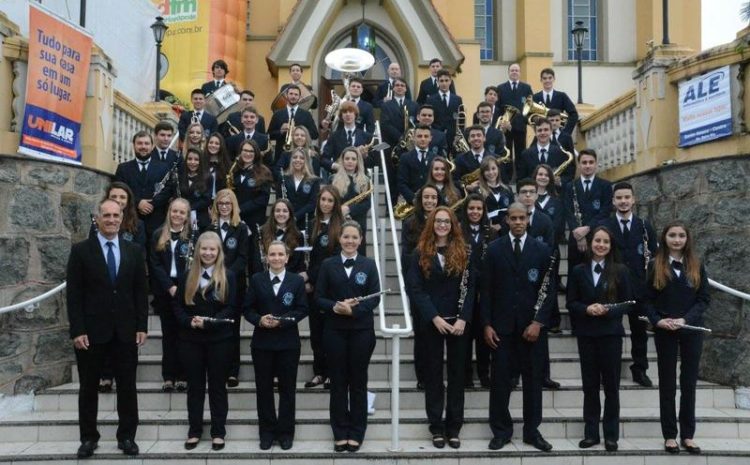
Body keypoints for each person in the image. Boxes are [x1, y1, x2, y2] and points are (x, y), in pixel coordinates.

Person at [66, 199, 148, 458]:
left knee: (127, 386)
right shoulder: (80, 251)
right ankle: (89, 438)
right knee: (89, 387)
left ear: (122, 218)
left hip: (125, 331)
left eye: (116, 215)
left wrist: (142, 326)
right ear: (97, 218)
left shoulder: (133, 251)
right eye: (107, 215)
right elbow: (74, 295)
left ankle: (126, 437)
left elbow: (140, 292)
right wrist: (77, 330)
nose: (112, 220)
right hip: (91, 332)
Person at [481, 202, 554, 452]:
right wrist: (487, 324)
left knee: (533, 382)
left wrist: (537, 322)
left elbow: (548, 291)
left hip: (531, 330)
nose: (518, 222)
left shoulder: (542, 250)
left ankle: (532, 431)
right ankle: (501, 431)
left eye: (522, 218)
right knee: (500, 382)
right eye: (513, 218)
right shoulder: (493, 250)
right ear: (506, 221)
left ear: (528, 219)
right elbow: (486, 290)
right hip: (501, 329)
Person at [406, 207, 474, 449]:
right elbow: (415, 290)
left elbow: (471, 288)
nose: (442, 225)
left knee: (457, 376)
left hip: (458, 323)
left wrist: (463, 319)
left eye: (447, 221)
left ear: (453, 224)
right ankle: (436, 427)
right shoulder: (419, 253)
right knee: (433, 376)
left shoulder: (464, 251)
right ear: (432, 224)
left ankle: (454, 427)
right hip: (432, 322)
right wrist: (434, 317)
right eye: (438, 221)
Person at [315, 221, 381, 452]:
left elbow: (374, 299)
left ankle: (357, 430)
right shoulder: (327, 264)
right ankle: (340, 431)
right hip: (334, 332)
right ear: (339, 239)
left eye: (354, 237)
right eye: (346, 237)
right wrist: (335, 307)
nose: (350, 241)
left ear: (361, 240)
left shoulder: (369, 264)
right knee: (338, 383)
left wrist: (353, 310)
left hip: (361, 332)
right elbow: (319, 297)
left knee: (358, 382)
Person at [567, 226, 633, 452]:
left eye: (605, 242)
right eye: (597, 241)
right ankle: (591, 433)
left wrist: (607, 310)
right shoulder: (578, 270)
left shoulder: (621, 271)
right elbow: (571, 303)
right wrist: (587, 309)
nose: (601, 245)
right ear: (591, 242)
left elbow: (627, 303)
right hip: (587, 335)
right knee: (590, 386)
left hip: (611, 335)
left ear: (610, 245)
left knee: (612, 387)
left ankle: (611, 435)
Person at [645, 221, 709, 455]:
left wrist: (686, 319)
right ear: (665, 238)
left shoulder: (697, 265)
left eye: (681, 235)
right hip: (665, 330)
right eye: (672, 235)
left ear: (687, 239)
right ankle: (670, 435)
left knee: (689, 383)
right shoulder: (655, 265)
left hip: (691, 329)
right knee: (668, 384)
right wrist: (657, 321)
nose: (677, 239)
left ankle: (688, 435)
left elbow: (703, 299)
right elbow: (646, 300)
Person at [173, 231, 237, 451]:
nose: (208, 253)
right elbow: (177, 307)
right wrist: (189, 321)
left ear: (219, 251)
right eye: (204, 248)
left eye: (212, 249)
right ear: (197, 250)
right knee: (195, 388)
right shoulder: (186, 276)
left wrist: (209, 323)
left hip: (219, 339)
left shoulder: (229, 275)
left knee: (218, 386)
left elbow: (231, 308)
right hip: (190, 340)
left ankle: (218, 432)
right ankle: (194, 430)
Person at [244, 240, 308, 450]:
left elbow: (301, 310)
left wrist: (283, 321)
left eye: (280, 254)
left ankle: (286, 432)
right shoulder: (256, 279)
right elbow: (248, 309)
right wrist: (259, 320)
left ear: (287, 258)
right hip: (262, 343)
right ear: (266, 257)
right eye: (272, 254)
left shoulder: (296, 282)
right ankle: (267, 432)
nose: (276, 258)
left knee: (287, 389)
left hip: (288, 343)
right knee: (263, 389)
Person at [89, 182, 146, 394]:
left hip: (125, 304)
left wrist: (142, 324)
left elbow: (140, 283)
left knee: (127, 382)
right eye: (115, 197)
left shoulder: (137, 227)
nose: (119, 201)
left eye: (123, 198)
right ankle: (105, 375)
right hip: (101, 305)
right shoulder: (95, 230)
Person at [600, 182, 657, 387]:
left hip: (639, 287)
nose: (623, 201)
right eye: (619, 198)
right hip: (612, 286)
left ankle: (639, 369)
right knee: (610, 330)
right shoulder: (605, 226)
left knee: (639, 331)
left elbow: (654, 258)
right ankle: (608, 370)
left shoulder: (644, 226)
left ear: (633, 199)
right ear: (613, 201)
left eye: (627, 197)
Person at [516, 178, 559, 390]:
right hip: (517, 283)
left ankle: (543, 375)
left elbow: (550, 250)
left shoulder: (545, 220)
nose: (527, 195)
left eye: (531, 192)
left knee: (539, 334)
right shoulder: (511, 218)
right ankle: (515, 375)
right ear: (517, 195)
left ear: (536, 194)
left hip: (538, 282)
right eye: (523, 192)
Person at [205, 189, 250, 388]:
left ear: (234, 206)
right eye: (221, 203)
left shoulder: (241, 228)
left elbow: (243, 258)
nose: (224, 207)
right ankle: (215, 369)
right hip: (210, 285)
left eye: (228, 203)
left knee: (232, 328)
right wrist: (214, 276)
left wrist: (225, 275)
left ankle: (233, 371)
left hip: (233, 285)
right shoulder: (209, 228)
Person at [150, 198, 193, 393]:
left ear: (187, 215)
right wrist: (169, 286)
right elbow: (155, 264)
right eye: (174, 211)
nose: (177, 215)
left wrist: (182, 287)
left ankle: (183, 376)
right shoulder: (158, 234)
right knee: (168, 335)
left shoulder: (193, 236)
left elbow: (196, 265)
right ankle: (168, 376)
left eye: (182, 212)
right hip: (165, 291)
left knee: (184, 335)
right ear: (169, 212)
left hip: (186, 291)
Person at [400, 185, 441, 389]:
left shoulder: (445, 221)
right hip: (419, 284)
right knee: (422, 333)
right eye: (426, 197)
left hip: (441, 286)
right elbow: (406, 256)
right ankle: (423, 376)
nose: (430, 201)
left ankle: (437, 375)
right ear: (420, 199)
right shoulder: (410, 222)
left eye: (434, 197)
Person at [304, 186, 345, 389]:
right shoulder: (313, 224)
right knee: (316, 333)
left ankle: (331, 373)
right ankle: (318, 372)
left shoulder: (341, 227)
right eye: (323, 200)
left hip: (331, 288)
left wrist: (310, 276)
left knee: (330, 334)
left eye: (330, 200)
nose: (326, 203)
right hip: (313, 289)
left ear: (335, 204)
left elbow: (334, 259)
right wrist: (307, 281)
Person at [458, 194, 496, 389]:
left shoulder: (491, 233)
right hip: (463, 290)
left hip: (485, 290)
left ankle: (483, 373)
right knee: (464, 335)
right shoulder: (457, 231)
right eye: (471, 208)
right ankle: (465, 375)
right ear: (466, 210)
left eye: (479, 209)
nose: (475, 212)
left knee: (483, 335)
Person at [114, 131, 172, 238]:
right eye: (139, 143)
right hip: (131, 219)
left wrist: (151, 204)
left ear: (152, 146)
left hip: (156, 221)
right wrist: (138, 203)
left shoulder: (163, 168)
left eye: (146, 143)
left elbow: (168, 190)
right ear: (134, 145)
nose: (143, 147)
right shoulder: (123, 168)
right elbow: (119, 191)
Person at [563, 149, 613, 271]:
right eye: (584, 162)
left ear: (596, 164)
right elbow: (568, 211)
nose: (588, 165)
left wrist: (587, 228)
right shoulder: (570, 186)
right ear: (579, 165)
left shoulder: (605, 185)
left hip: (597, 236)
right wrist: (579, 236)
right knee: (574, 274)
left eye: (591, 162)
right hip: (576, 238)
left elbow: (605, 211)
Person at [330, 147, 371, 255]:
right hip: (338, 221)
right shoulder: (333, 179)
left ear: (358, 161)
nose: (350, 161)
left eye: (353, 159)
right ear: (342, 161)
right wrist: (339, 210)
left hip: (358, 222)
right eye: (347, 158)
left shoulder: (365, 180)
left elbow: (367, 204)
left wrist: (349, 209)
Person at [497, 63, 533, 181]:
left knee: (520, 154)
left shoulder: (526, 88)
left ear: (520, 73)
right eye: (512, 70)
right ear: (508, 72)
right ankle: (506, 179)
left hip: (520, 126)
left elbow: (530, 107)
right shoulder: (501, 88)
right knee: (506, 154)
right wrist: (502, 123)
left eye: (516, 70)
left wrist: (525, 121)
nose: (514, 72)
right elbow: (498, 108)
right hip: (505, 127)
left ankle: (520, 179)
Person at [268, 84, 319, 160]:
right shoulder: (277, 114)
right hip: (281, 155)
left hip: (301, 156)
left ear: (299, 97)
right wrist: (281, 131)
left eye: (296, 94)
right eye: (291, 94)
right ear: (286, 95)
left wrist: (299, 132)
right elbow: (269, 135)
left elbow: (315, 134)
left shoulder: (306, 114)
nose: (293, 96)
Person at [516, 117, 572, 185]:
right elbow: (520, 179)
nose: (543, 133)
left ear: (551, 131)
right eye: (539, 130)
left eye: (546, 130)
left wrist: (560, 181)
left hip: (554, 193)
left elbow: (568, 176)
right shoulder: (525, 154)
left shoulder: (561, 153)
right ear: (535, 133)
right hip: (533, 193)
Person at [321, 101, 374, 172]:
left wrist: (365, 157)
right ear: (341, 116)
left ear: (356, 115)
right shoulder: (334, 136)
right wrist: (335, 166)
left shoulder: (366, 136)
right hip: (339, 176)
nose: (348, 114)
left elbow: (372, 163)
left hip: (360, 178)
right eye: (345, 112)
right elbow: (323, 159)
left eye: (351, 112)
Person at [232, 139, 273, 229]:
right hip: (235, 218)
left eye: (251, 151)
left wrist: (240, 209)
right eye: (245, 150)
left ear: (256, 153)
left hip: (254, 221)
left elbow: (263, 199)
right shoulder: (234, 170)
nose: (248, 153)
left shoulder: (264, 172)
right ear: (240, 152)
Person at [260, 199, 306, 274]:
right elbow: (256, 261)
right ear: (273, 213)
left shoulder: (298, 235)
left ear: (290, 214)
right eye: (277, 211)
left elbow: (297, 263)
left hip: (289, 278)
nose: (281, 214)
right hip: (265, 277)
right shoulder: (262, 232)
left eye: (285, 211)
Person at [425, 69, 463, 153]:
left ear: (450, 81)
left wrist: (460, 136)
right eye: (441, 81)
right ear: (437, 82)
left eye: (446, 80)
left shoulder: (457, 99)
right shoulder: (430, 99)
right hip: (436, 136)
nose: (444, 83)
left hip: (453, 137)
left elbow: (461, 119)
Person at [533, 67, 579, 134]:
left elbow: (574, 114)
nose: (547, 80)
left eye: (550, 78)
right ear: (541, 80)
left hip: (559, 134)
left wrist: (566, 132)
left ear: (554, 79)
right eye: (544, 78)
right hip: (542, 134)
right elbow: (528, 117)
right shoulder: (536, 97)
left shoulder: (562, 96)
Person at [397, 126, 436, 204]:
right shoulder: (405, 157)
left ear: (430, 138)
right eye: (419, 136)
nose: (423, 139)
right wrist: (413, 198)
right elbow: (401, 183)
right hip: (410, 203)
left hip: (431, 203)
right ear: (414, 138)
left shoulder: (436, 158)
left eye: (426, 136)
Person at [478, 157, 513, 234]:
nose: (491, 172)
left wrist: (501, 225)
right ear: (482, 173)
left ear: (498, 170)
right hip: (487, 230)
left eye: (493, 169)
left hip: (507, 229)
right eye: (487, 170)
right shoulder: (477, 191)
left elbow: (512, 210)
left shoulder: (508, 189)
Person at [179, 148, 212, 230]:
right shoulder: (180, 176)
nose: (192, 162)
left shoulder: (207, 177)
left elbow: (207, 199)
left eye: (196, 159)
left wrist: (189, 208)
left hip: (201, 219)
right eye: (189, 159)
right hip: (181, 218)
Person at [452, 125, 491, 189]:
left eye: (479, 135)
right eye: (472, 136)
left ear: (484, 138)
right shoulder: (459, 159)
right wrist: (466, 186)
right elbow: (454, 181)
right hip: (469, 196)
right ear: (469, 140)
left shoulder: (495, 158)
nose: (476, 138)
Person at [204, 133, 232, 199]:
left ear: (221, 146)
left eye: (217, 143)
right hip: (203, 202)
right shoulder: (201, 162)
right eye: (211, 142)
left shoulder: (227, 164)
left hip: (221, 202)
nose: (213, 145)